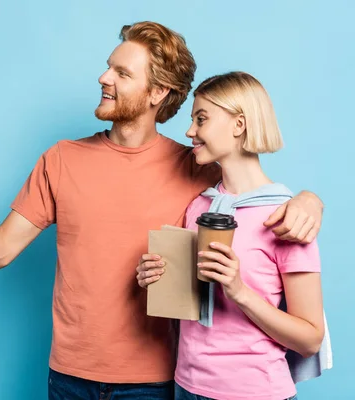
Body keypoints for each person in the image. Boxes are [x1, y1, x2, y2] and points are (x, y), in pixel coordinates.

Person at [0, 22, 324, 400]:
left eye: (122, 73)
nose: (104, 78)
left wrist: (309, 200)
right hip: (67, 378)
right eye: (108, 67)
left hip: (157, 382)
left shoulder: (196, 169)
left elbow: (253, 192)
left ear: (158, 92)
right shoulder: (61, 160)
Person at [137, 72, 324, 400]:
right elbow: (190, 303)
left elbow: (310, 340)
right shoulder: (199, 206)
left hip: (254, 393)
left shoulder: (287, 216)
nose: (189, 131)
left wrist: (239, 291)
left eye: (201, 119)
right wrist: (157, 277)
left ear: (239, 124)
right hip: (186, 387)